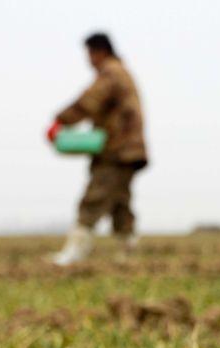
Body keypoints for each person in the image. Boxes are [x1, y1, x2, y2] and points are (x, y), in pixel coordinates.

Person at [48, 32, 148, 266]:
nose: (88, 60)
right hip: (129, 149)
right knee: (120, 202)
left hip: (118, 149)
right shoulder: (122, 72)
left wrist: (60, 121)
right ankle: (128, 252)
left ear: (99, 51)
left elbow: (89, 101)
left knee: (95, 197)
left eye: (89, 54)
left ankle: (73, 253)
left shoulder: (111, 73)